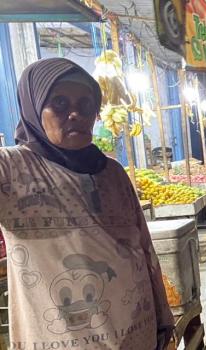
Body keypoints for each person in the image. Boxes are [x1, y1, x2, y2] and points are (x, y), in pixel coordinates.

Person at [0, 58, 174, 349]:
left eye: (85, 105)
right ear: (34, 107)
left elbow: (144, 247)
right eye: (59, 103)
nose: (74, 114)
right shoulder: (13, 168)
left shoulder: (113, 172)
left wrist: (162, 316)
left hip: (137, 333)